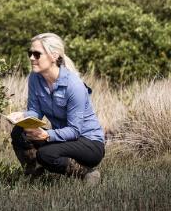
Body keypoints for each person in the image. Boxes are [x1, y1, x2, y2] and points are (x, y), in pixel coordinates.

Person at [9, 33, 105, 185]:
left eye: (37, 54)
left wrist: (46, 135)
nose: (31, 58)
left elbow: (74, 130)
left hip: (88, 142)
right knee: (19, 132)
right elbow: (35, 112)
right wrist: (22, 117)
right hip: (63, 137)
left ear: (54, 56)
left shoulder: (74, 86)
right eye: (30, 53)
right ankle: (34, 173)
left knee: (46, 154)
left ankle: (86, 173)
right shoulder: (35, 78)